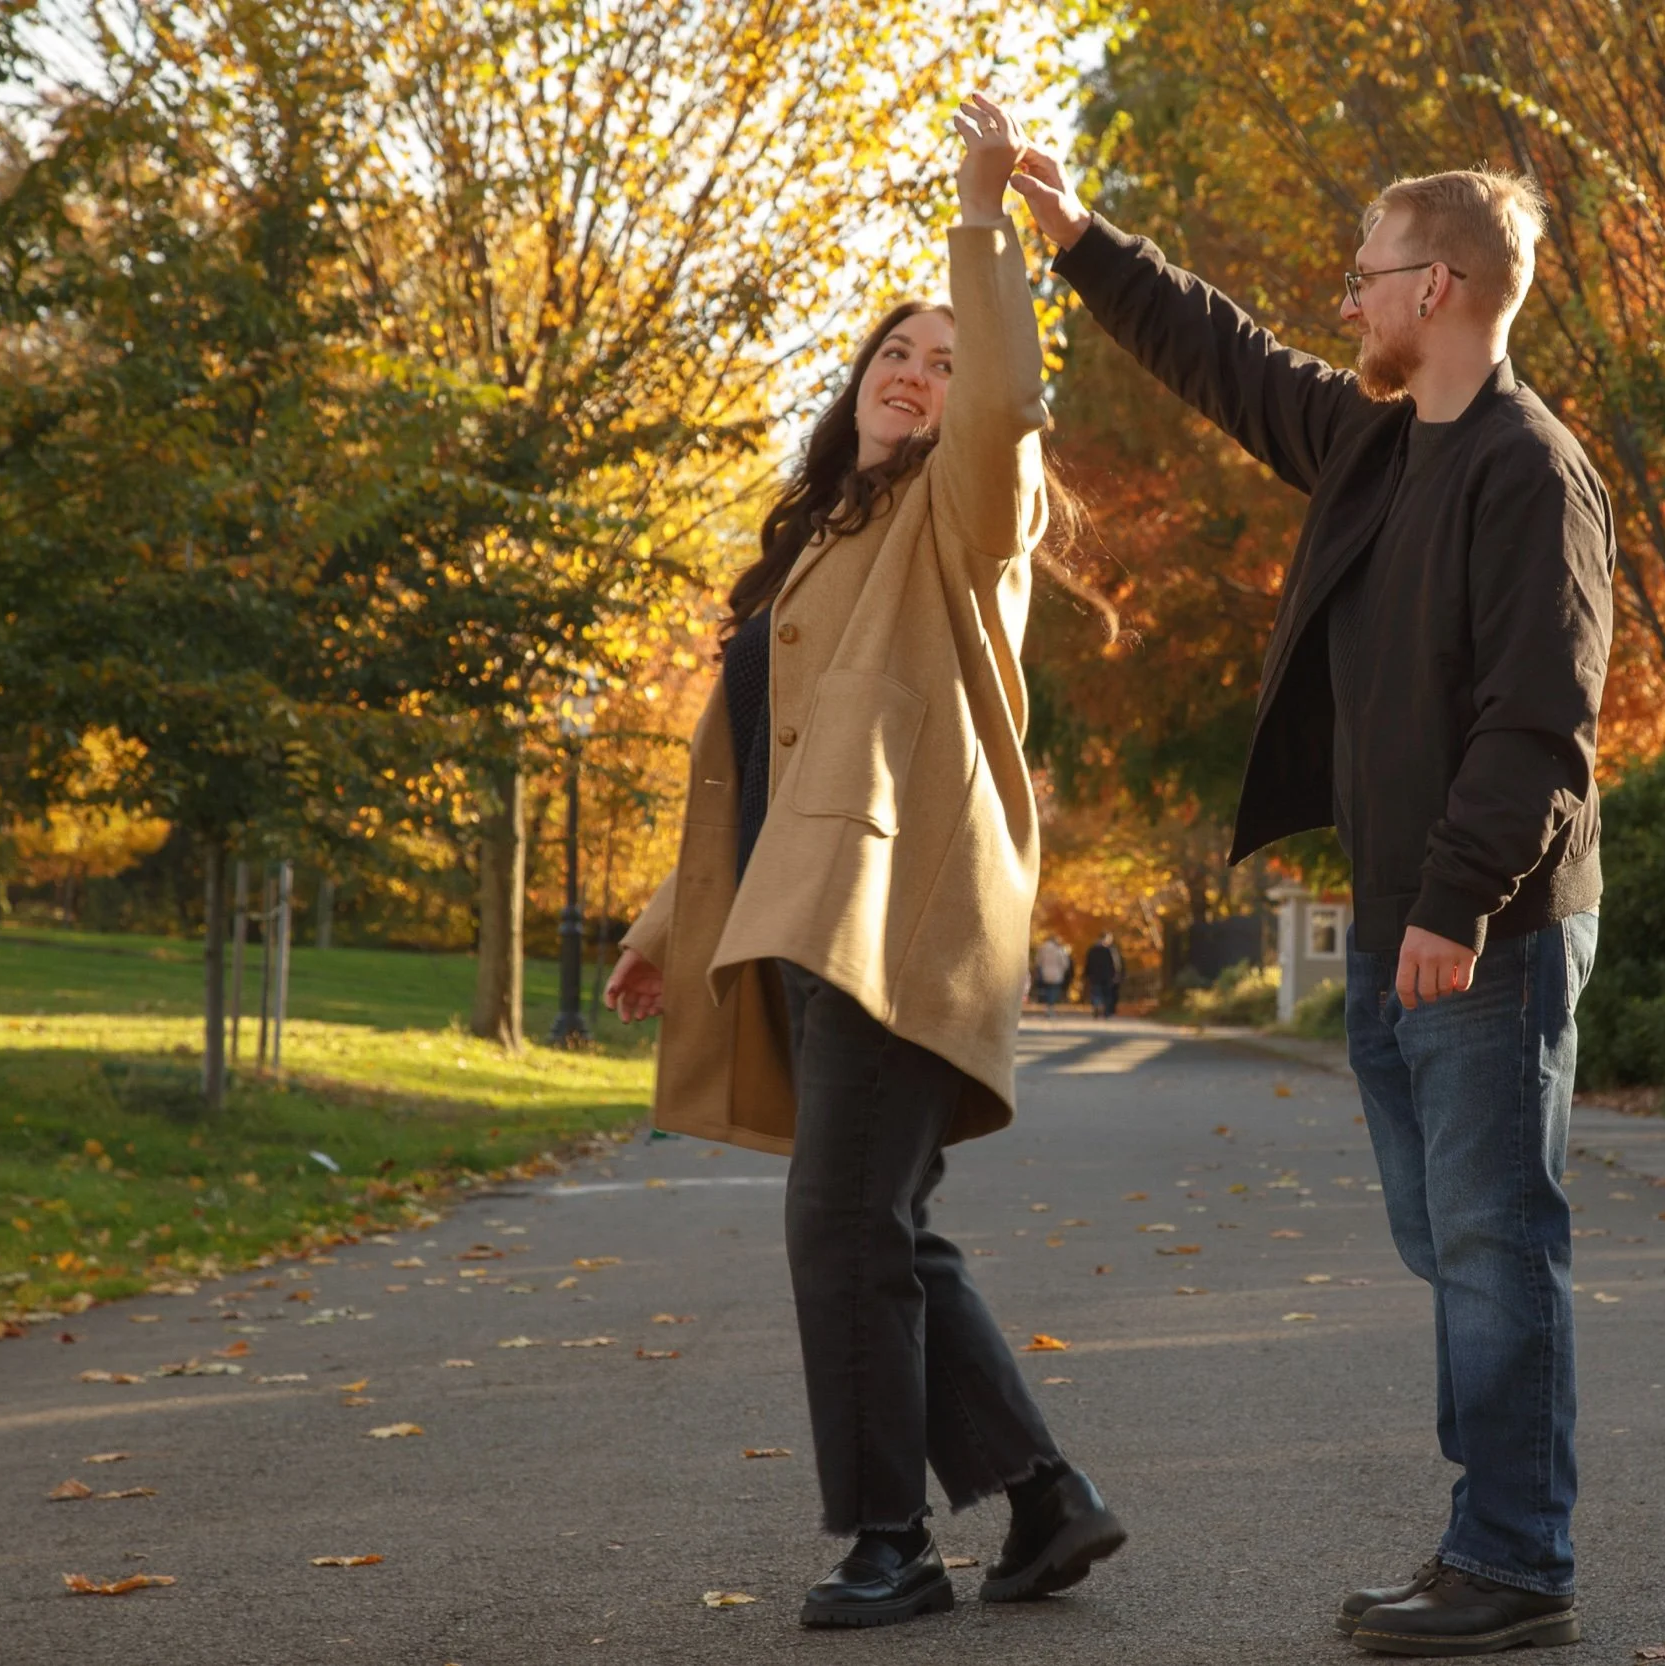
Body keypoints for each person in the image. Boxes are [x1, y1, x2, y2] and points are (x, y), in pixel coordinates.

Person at [1009, 149, 1612, 1654]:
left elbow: (1541, 722)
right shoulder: (1375, 442)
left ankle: (1514, 1559)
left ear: (1439, 286)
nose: (1344, 300)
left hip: (1488, 925)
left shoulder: (1530, 471)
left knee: (1493, 1241)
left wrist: (1455, 906)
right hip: (1402, 908)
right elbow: (1224, 356)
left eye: (1365, 272)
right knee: (1446, 1237)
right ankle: (1492, 1542)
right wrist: (1080, 240)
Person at [600, 94, 1124, 1631]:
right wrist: (666, 920)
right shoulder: (822, 536)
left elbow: (1010, 404)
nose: (918, 369)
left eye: (943, 357)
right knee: (884, 1223)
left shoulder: (967, 517)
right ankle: (1046, 1498)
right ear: (857, 378)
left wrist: (982, 227)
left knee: (840, 1222)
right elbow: (771, 769)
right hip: (806, 915)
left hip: (902, 918)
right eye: (897, 349)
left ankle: (890, 1542)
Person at [1081, 930, 1123, 1018]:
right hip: (1107, 976)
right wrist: (1117, 974)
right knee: (1107, 994)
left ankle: (1097, 1005)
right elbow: (1116, 964)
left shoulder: (1092, 949)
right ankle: (1106, 1011)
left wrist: (1086, 974)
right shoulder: (1111, 950)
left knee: (1096, 992)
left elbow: (1088, 963)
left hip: (1095, 975)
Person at [1033, 933, 1073, 1009]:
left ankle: (1047, 1004)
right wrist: (1064, 970)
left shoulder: (1042, 948)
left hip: (1045, 972)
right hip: (1057, 973)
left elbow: (1038, 961)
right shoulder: (1059, 949)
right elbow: (1065, 963)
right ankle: (1050, 1005)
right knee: (1054, 990)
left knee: (1046, 989)